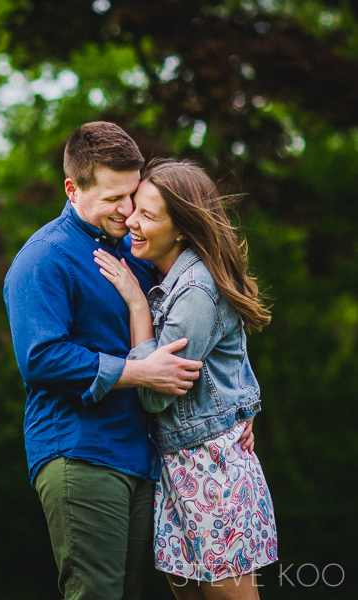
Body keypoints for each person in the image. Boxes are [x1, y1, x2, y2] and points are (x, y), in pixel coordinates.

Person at [3, 122, 239, 600]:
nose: (128, 211)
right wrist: (136, 372)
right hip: (79, 451)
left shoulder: (134, 252)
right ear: (72, 188)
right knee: (97, 593)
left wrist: (240, 411)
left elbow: (208, 329)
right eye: (114, 198)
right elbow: (40, 358)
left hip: (142, 455)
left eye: (132, 195)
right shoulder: (43, 259)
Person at [93, 158, 277, 599]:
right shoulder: (176, 280)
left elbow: (157, 398)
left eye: (148, 216)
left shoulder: (193, 290)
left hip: (210, 472)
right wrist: (246, 403)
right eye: (135, 207)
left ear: (181, 229)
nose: (130, 221)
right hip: (182, 469)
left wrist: (138, 307)